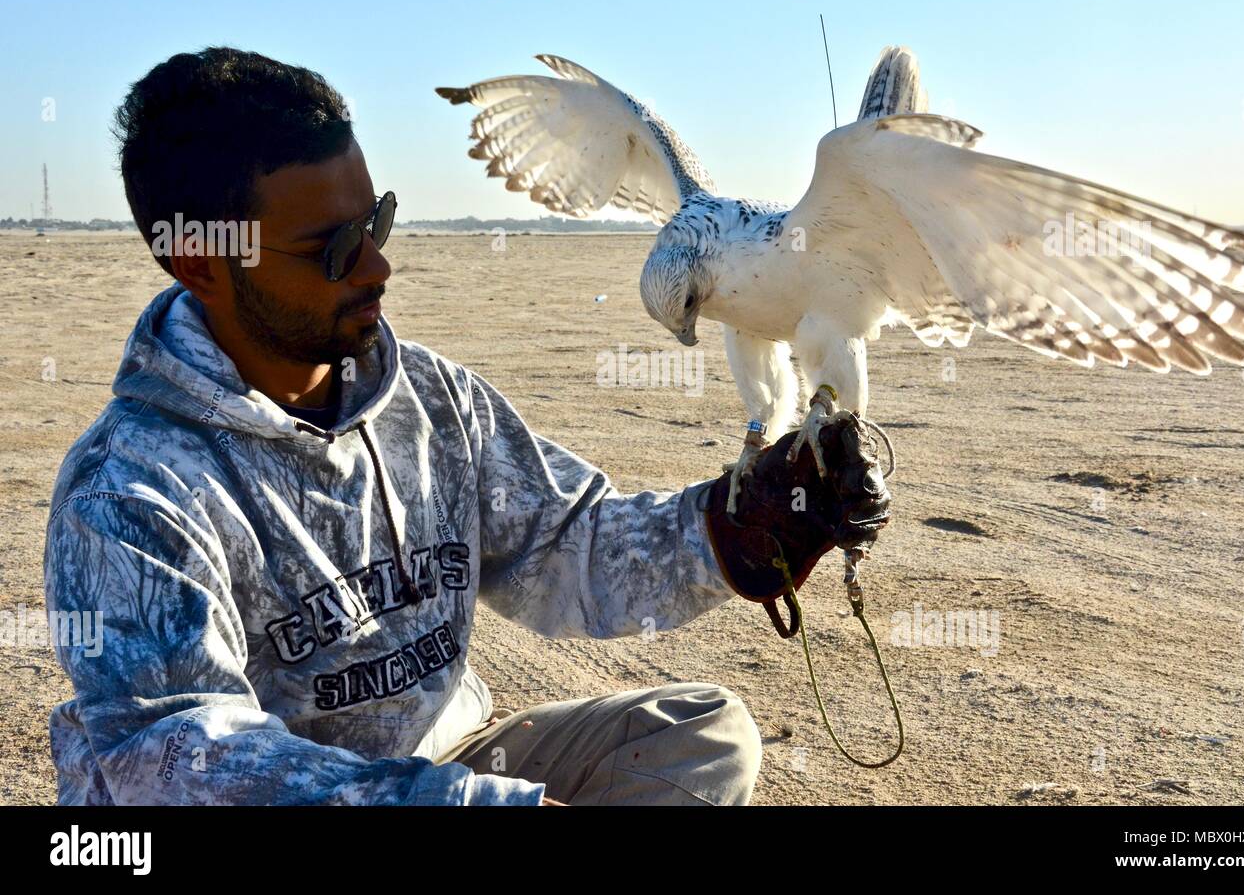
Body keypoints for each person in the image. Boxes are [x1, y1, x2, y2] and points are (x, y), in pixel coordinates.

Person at [43, 47, 888, 806]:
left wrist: (732, 528)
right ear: (200, 260)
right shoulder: (130, 492)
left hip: (447, 757)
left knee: (702, 735)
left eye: (376, 222)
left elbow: (568, 546)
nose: (378, 263)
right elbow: (188, 764)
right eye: (331, 249)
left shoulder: (433, 403)